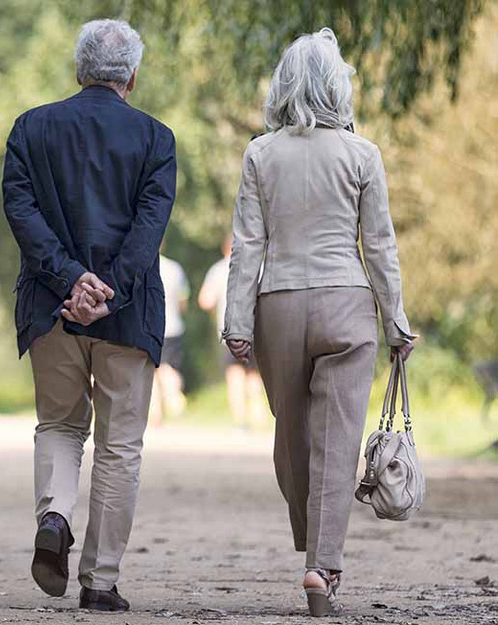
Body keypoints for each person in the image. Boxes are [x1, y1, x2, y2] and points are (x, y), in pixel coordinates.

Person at [222, 28, 416, 617]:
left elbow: (247, 244)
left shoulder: (260, 153)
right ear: (339, 89)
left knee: (292, 433)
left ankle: (312, 541)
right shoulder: (362, 155)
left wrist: (237, 321)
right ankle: (322, 565)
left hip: (278, 305)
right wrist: (396, 322)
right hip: (347, 304)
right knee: (337, 438)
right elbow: (379, 246)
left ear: (282, 87)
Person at [3, 19, 176, 612]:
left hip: (50, 307)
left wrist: (68, 280)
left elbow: (22, 215)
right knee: (119, 445)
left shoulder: (30, 128)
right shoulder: (157, 139)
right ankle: (100, 581)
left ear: (80, 71)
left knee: (58, 424)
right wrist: (106, 290)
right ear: (132, 75)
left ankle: (54, 514)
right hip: (127, 317)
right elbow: (147, 234)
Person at [199, 235, 267, 428]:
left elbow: (205, 300)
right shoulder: (260, 266)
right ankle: (259, 416)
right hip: (256, 329)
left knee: (235, 375)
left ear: (225, 249)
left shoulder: (219, 269)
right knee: (255, 375)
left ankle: (241, 421)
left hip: (230, 329)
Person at [152, 253, 189, 424]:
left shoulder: (143, 264)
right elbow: (183, 300)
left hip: (151, 326)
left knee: (153, 370)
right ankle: (174, 395)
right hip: (173, 326)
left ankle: (157, 412)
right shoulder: (175, 268)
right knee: (168, 367)